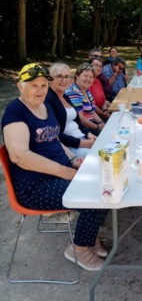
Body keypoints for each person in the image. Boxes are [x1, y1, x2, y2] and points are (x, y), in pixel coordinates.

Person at [1, 63, 109, 271]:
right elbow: (19, 156)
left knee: (104, 181)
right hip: (35, 186)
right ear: (20, 87)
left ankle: (87, 236)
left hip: (58, 173)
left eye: (43, 85)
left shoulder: (45, 106)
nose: (40, 90)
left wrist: (72, 159)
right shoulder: (15, 112)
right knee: (96, 195)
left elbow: (54, 139)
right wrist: (66, 172)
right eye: (34, 85)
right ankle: (78, 249)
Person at [46, 63, 97, 157]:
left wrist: (89, 134)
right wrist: (83, 143)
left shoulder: (65, 97)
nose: (64, 80)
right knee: (99, 155)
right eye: (59, 76)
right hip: (69, 147)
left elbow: (78, 122)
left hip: (82, 138)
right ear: (50, 79)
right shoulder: (48, 100)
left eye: (66, 77)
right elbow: (56, 134)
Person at [66, 63, 105, 135]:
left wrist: (101, 122)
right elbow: (81, 119)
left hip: (91, 124)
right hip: (82, 130)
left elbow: (92, 110)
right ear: (77, 76)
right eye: (85, 76)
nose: (88, 79)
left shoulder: (86, 90)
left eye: (91, 77)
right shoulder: (74, 92)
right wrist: (97, 127)